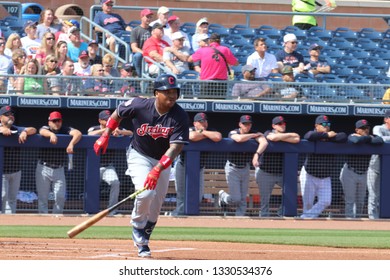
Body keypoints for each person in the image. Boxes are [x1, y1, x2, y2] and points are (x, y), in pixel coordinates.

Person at [93, 74, 189, 258]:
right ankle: (137, 226)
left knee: (156, 205)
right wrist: (106, 134)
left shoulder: (180, 116)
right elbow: (118, 113)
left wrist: (158, 169)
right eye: (166, 92)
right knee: (146, 193)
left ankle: (144, 237)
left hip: (162, 160)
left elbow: (176, 147)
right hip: (139, 154)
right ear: (156, 93)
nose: (171, 95)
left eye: (174, 92)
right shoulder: (140, 104)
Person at [172, 112, 222, 216]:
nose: (203, 123)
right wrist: (206, 135)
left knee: (197, 197)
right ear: (195, 123)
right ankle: (179, 216)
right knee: (182, 196)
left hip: (199, 168)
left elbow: (217, 137)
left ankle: (189, 217)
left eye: (205, 121)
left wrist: (203, 132)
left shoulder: (211, 130)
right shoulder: (189, 128)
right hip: (183, 166)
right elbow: (192, 136)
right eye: (200, 122)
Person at [218, 115, 268, 216]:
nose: (247, 126)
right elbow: (239, 139)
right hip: (232, 168)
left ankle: (239, 220)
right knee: (236, 199)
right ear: (240, 124)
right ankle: (223, 196)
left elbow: (264, 142)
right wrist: (253, 135)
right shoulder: (234, 131)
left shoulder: (254, 132)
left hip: (245, 167)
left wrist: (256, 155)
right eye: (245, 124)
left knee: (243, 199)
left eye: (249, 124)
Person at [300, 115, 347, 219]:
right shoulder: (314, 135)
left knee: (326, 201)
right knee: (308, 203)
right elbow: (308, 136)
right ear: (317, 126)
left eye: (328, 124)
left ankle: (305, 217)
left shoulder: (332, 137)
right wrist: (326, 135)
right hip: (309, 174)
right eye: (324, 124)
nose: (327, 126)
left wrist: (329, 136)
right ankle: (306, 223)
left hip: (325, 176)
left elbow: (343, 136)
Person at [36, 111, 82, 214]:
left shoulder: (65, 129)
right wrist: (51, 134)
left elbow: (78, 133)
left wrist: (71, 144)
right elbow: (42, 131)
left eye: (59, 120)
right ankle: (43, 220)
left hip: (59, 168)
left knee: (60, 196)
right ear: (49, 122)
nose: (57, 123)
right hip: (44, 167)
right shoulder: (46, 128)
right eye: (54, 121)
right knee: (43, 197)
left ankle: (56, 218)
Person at [88, 110, 133, 213]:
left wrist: (120, 132)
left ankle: (112, 209)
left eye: (109, 119)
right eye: (105, 119)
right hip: (94, 166)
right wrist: (107, 130)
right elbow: (90, 134)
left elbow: (131, 133)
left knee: (115, 183)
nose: (108, 120)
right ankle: (91, 210)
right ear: (100, 120)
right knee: (91, 185)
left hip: (108, 166)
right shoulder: (94, 128)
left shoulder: (116, 127)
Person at [256, 116, 300, 217]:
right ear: (273, 126)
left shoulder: (285, 135)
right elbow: (273, 138)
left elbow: (297, 139)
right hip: (265, 172)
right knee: (265, 199)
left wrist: (283, 136)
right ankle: (264, 217)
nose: (283, 125)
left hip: (281, 173)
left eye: (284, 123)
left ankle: (281, 212)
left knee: (293, 190)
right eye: (280, 124)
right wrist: (289, 135)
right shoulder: (268, 132)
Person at [341, 119, 383, 219]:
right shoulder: (352, 135)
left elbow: (380, 140)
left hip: (364, 173)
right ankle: (349, 222)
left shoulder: (370, 137)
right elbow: (356, 140)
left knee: (360, 202)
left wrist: (366, 138)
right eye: (363, 128)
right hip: (349, 172)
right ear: (357, 130)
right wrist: (368, 139)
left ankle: (358, 223)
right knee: (350, 201)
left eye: (367, 128)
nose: (366, 130)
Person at [0, 106, 37, 214]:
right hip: (2, 172)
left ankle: (10, 221)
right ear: (0, 118)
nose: (10, 116)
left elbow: (34, 129)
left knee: (11, 198)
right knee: (2, 197)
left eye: (12, 114)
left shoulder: (16, 128)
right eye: (7, 115)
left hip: (15, 171)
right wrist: (2, 129)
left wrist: (25, 131)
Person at [188, 33, 239, 97]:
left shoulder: (202, 50)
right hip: (221, 83)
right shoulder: (225, 49)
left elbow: (189, 59)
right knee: (219, 105)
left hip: (206, 82)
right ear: (220, 41)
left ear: (209, 41)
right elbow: (236, 63)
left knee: (206, 104)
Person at [367, 110, 390, 219]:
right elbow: (379, 139)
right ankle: (373, 220)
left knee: (385, 195)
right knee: (373, 195)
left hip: (388, 169)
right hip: (374, 167)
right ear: (386, 119)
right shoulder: (378, 128)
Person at [130, 8, 153, 77]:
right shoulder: (135, 30)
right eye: (147, 17)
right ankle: (140, 77)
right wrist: (144, 53)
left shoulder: (153, 30)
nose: (149, 19)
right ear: (142, 17)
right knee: (138, 55)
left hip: (151, 54)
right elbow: (134, 48)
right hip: (141, 54)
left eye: (150, 17)